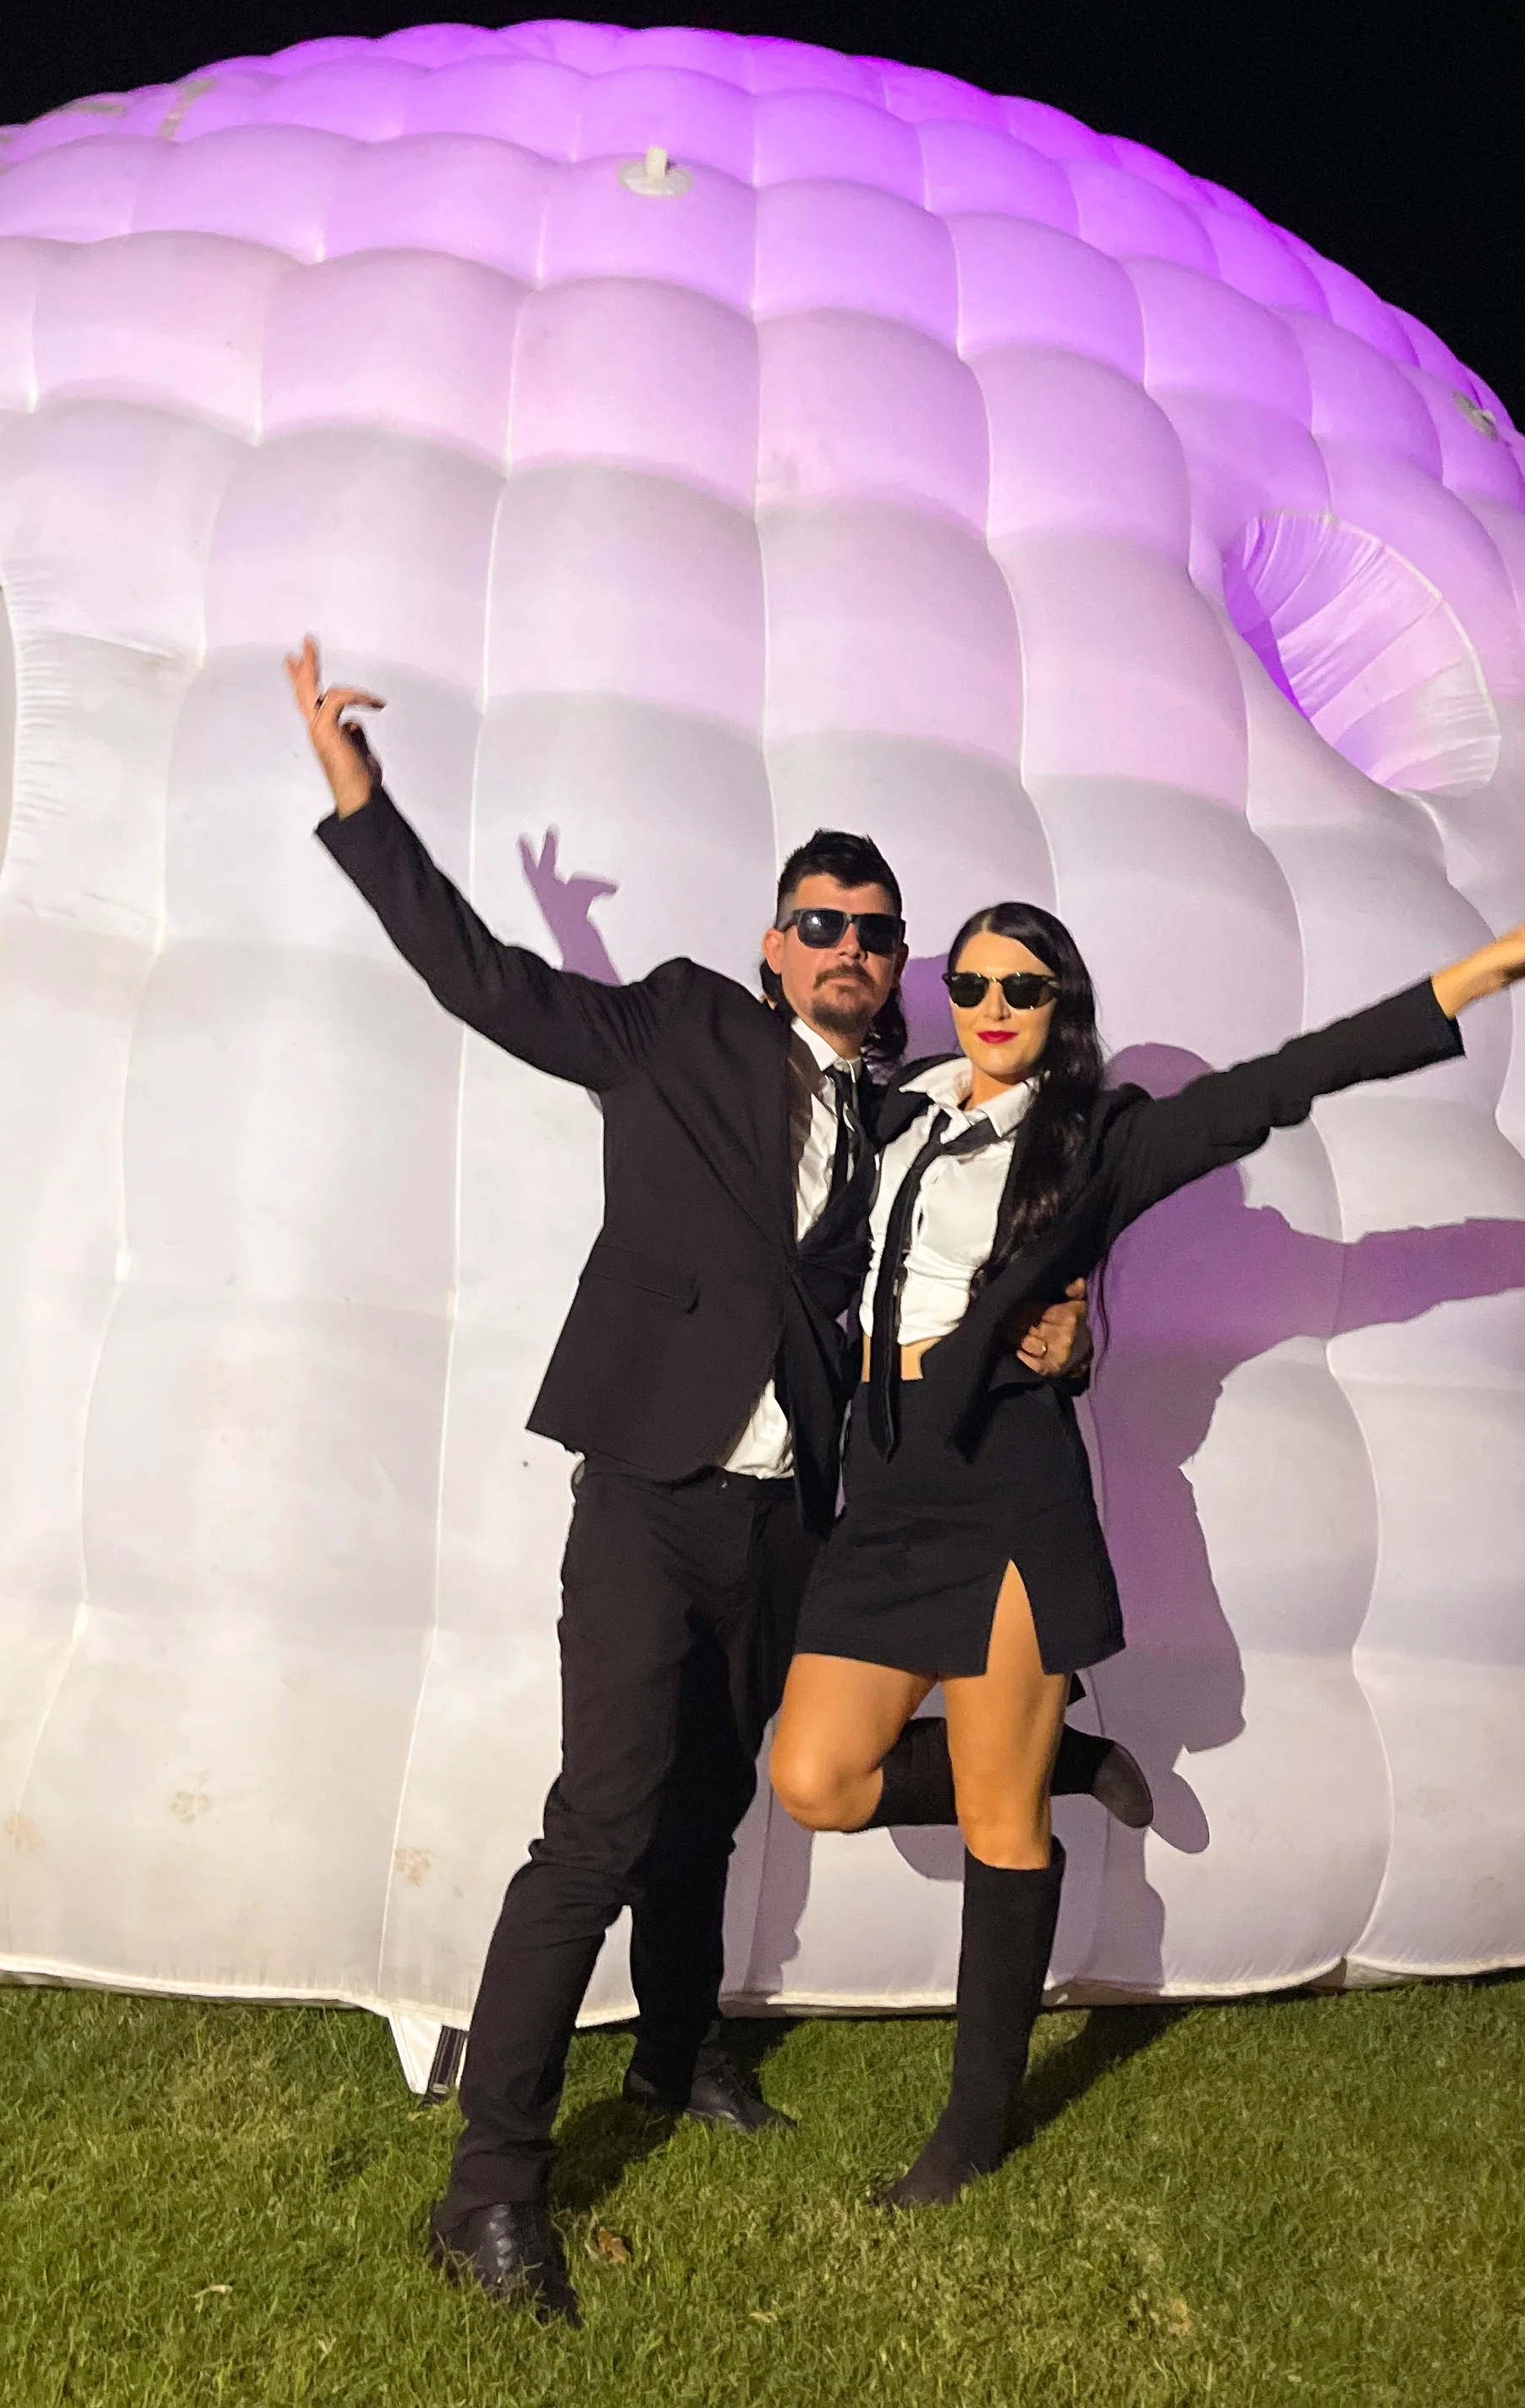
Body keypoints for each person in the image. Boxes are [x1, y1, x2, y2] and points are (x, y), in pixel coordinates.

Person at [283, 640, 1118, 2323]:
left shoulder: (904, 1125)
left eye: (877, 937)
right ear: (769, 941)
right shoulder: (675, 1026)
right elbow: (492, 984)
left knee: (708, 1802)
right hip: (649, 1491)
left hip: (788, 1516)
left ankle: (676, 2059)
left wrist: (1066, 1333)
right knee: (595, 1824)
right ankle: (490, 2187)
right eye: (820, 922)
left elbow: (975, 1276)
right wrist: (365, 811)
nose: (850, 951)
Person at [772, 892, 1525, 2207]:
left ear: (1064, 1010)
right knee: (814, 1774)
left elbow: (1284, 1086)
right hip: (881, 1502)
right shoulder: (902, 1105)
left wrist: (1472, 980)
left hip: (1002, 1501)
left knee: (998, 1816)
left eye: (1024, 991)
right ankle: (1072, 1755)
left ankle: (973, 2123)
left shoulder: (1098, 1140)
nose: (992, 1008)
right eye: (976, 985)